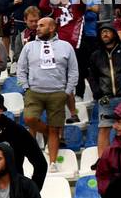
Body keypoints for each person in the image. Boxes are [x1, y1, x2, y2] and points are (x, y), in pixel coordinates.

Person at [15, 16, 78, 164]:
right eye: (37, 25)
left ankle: (53, 163)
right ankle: (49, 132)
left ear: (52, 28)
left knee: (55, 129)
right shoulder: (29, 46)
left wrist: (67, 91)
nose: (37, 28)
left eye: (41, 25)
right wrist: (26, 87)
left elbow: (73, 71)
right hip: (34, 92)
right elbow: (21, 68)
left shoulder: (66, 46)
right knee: (29, 119)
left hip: (58, 93)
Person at [86, 25, 121, 158]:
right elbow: (92, 76)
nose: (105, 34)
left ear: (114, 34)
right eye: (102, 32)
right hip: (106, 98)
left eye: (108, 31)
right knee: (104, 128)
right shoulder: (95, 55)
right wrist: (97, 92)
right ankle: (102, 160)